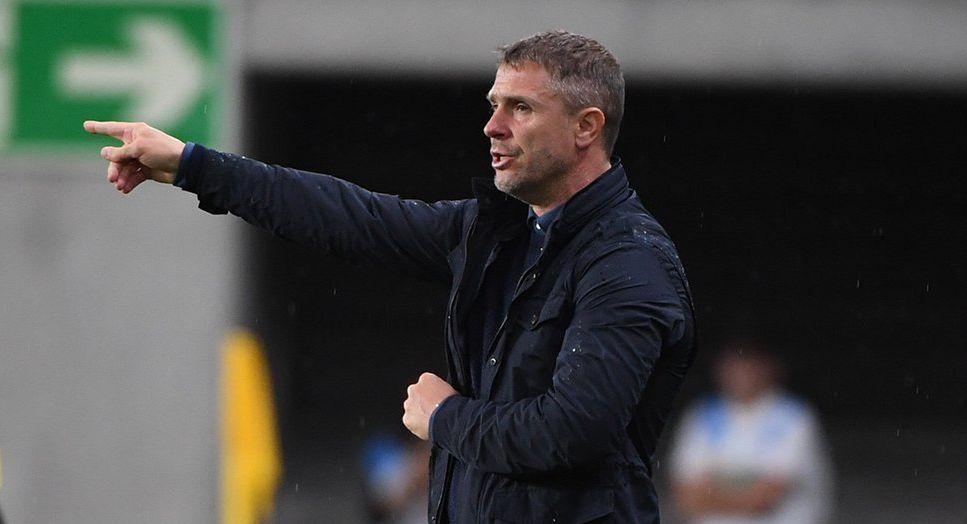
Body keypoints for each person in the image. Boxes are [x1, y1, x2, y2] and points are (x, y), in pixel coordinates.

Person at [85, 30, 696, 523]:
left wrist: (446, 418)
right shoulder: (501, 232)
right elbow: (348, 216)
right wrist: (192, 165)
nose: (493, 126)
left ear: (587, 127)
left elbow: (570, 434)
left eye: (521, 108)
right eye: (494, 105)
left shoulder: (629, 262)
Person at [668, 343, 833, 524]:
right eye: (733, 365)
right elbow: (684, 495)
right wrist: (741, 497)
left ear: (767, 368)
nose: (740, 374)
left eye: (748, 365)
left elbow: (765, 498)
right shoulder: (702, 415)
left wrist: (710, 497)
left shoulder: (794, 416)